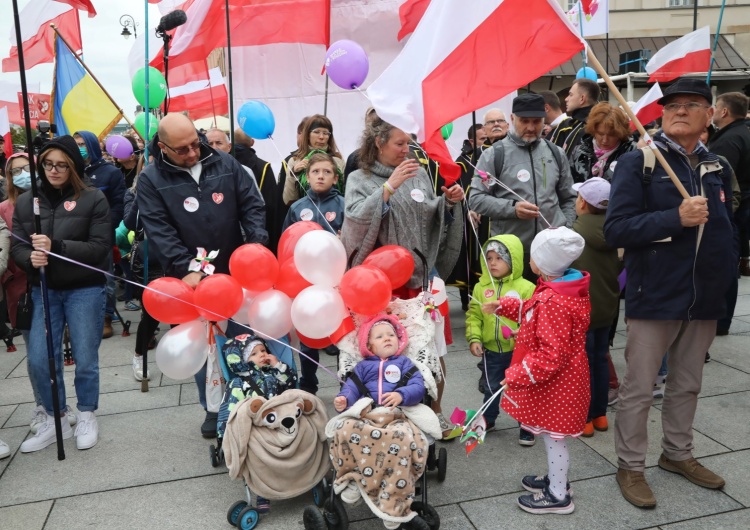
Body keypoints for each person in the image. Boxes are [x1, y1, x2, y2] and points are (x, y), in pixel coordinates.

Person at [604, 78, 735, 509]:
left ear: (709, 116)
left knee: (688, 384)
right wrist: (674, 217)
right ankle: (631, 465)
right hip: (655, 290)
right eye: (672, 104)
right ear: (661, 113)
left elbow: (725, 230)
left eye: (691, 104)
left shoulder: (717, 166)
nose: (679, 110)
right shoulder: (639, 162)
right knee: (640, 386)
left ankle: (677, 454)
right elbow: (616, 229)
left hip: (704, 296)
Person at [136, 113, 267, 437]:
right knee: (203, 344)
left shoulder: (225, 162)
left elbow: (252, 205)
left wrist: (254, 247)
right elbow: (159, 230)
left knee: (244, 339)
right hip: (190, 280)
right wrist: (187, 268)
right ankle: (212, 407)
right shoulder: (151, 179)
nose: (193, 153)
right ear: (163, 147)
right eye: (182, 149)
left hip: (236, 270)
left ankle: (250, 398)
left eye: (196, 143)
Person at [341, 115, 464, 436]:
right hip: (381, 291)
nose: (406, 149)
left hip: (422, 282)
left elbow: (427, 215)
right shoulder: (358, 178)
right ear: (378, 142)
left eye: (409, 142)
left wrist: (448, 205)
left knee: (432, 352)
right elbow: (353, 223)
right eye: (399, 143)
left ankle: (435, 415)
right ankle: (384, 421)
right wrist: (387, 188)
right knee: (387, 356)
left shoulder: (419, 172)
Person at [12, 135, 111, 453]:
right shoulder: (27, 201)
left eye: (62, 165)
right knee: (40, 359)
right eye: (48, 164)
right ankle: (57, 417)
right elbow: (18, 245)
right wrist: (30, 258)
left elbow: (99, 248)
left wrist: (56, 247)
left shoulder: (93, 199)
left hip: (84, 289)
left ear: (74, 167)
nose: (54, 171)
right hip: (45, 290)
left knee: (84, 358)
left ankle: (86, 413)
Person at [483, 227, 589, 514]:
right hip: (562, 381)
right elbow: (532, 311)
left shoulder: (554, 301)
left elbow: (550, 355)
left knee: (554, 439)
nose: (529, 259)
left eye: (533, 255)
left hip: (557, 384)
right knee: (549, 436)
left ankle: (558, 495)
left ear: (542, 263)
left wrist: (516, 374)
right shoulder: (558, 289)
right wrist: (505, 306)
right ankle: (557, 480)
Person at [469, 93, 577, 282]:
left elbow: (568, 197)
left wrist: (565, 226)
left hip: (551, 253)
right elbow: (476, 198)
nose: (530, 127)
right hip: (511, 254)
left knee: (549, 310)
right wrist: (513, 209)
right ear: (512, 119)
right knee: (513, 309)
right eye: (524, 121)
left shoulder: (555, 153)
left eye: (536, 121)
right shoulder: (494, 155)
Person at [283, 152, 345, 394]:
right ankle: (308, 383)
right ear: (307, 177)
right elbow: (287, 243)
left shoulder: (344, 205)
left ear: (335, 178)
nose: (321, 176)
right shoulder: (297, 208)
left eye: (327, 172)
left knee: (341, 334)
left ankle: (346, 382)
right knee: (307, 334)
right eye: (316, 172)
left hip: (336, 281)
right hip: (305, 283)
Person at [465, 234, 535, 444]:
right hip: (492, 350)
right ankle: (488, 418)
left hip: (519, 351)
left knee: (523, 389)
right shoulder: (481, 287)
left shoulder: (526, 288)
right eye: (490, 258)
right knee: (491, 386)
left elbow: (532, 318)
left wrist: (522, 335)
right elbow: (474, 316)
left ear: (512, 260)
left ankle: (527, 425)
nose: (493, 263)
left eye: (499, 258)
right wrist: (474, 338)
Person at [216, 335, 297, 513]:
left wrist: (278, 365)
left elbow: (291, 384)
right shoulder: (238, 383)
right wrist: (224, 434)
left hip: (280, 422)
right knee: (259, 456)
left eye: (263, 350)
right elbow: (228, 410)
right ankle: (263, 490)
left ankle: (302, 473)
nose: (262, 354)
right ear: (243, 361)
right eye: (254, 353)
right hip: (256, 429)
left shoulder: (274, 374)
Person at [570, 177, 621, 437]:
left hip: (582, 311)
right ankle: (600, 415)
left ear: (583, 203)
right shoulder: (616, 230)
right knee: (601, 360)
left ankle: (585, 418)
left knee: (583, 365)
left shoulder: (574, 233)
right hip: (608, 309)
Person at [74, 130, 126, 339]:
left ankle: (106, 315)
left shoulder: (110, 172)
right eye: (75, 144)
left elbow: (118, 204)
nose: (79, 148)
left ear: (93, 145)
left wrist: (104, 228)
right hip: (75, 234)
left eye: (82, 143)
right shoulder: (72, 171)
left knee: (105, 276)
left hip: (101, 235)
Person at [709, 92, 750, 331]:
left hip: (734, 210)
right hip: (742, 207)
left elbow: (723, 182)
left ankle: (720, 321)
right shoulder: (741, 133)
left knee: (725, 264)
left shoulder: (728, 140)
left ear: (724, 112)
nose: (713, 110)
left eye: (715, 107)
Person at [334, 314, 424, 412]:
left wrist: (401, 395)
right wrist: (345, 399)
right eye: (379, 337)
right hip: (368, 413)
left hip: (398, 410)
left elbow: (417, 386)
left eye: (391, 335)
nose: (387, 338)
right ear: (368, 346)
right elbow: (352, 387)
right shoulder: (362, 366)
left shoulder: (404, 362)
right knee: (341, 425)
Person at [232, 128, 283, 254]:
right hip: (257, 232)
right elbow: (271, 205)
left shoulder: (226, 166)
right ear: (252, 142)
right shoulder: (264, 167)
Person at [282, 114, 345, 206]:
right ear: (307, 134)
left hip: (333, 212)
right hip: (304, 214)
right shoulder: (295, 160)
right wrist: (293, 174)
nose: (321, 137)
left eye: (326, 133)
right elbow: (288, 200)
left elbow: (346, 192)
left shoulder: (337, 160)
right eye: (316, 132)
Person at [568, 102, 637, 184]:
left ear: (620, 133)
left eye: (611, 135)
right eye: (600, 134)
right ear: (593, 130)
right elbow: (569, 185)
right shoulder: (578, 152)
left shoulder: (632, 152)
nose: (605, 140)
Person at [550, 78, 601, 158]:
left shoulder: (591, 128)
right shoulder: (567, 124)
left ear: (582, 99)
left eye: (571, 94)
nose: (566, 99)